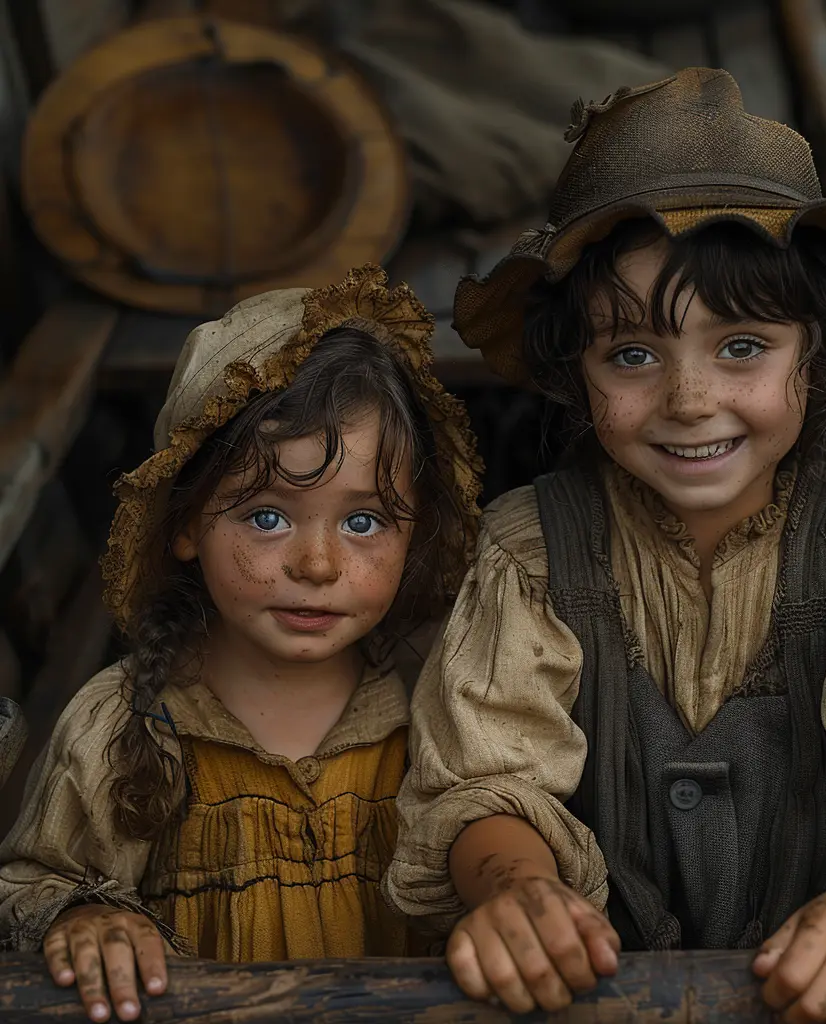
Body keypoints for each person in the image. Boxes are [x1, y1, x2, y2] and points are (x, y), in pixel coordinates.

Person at [383, 70, 826, 1024]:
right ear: (575, 371)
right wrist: (515, 890)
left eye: (743, 347)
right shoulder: (529, 551)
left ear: (820, 353)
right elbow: (482, 780)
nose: (689, 401)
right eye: (632, 355)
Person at [0, 267, 481, 1024]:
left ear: (415, 529)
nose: (317, 566)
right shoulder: (124, 728)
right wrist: (79, 919)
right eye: (266, 517)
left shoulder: (439, 715)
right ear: (186, 524)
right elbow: (32, 883)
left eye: (363, 521)